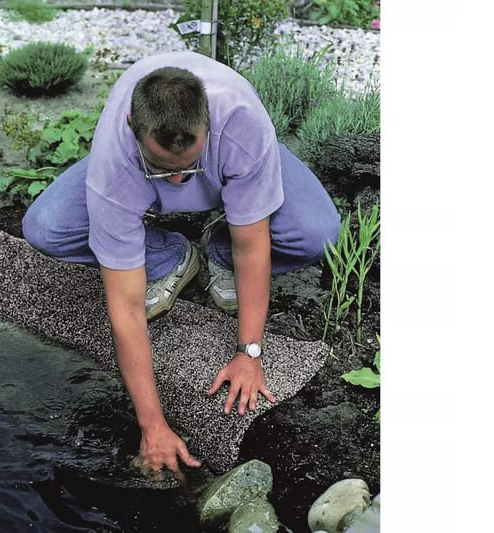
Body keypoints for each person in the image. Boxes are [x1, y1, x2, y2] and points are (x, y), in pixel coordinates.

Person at [22, 51, 341, 478]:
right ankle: (169, 256)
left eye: (187, 167)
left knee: (317, 233)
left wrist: (249, 352)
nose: (177, 182)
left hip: (232, 156)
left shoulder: (242, 124)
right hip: (131, 172)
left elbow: (254, 249)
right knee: (45, 228)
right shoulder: (115, 159)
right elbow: (127, 309)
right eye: (162, 169)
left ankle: (216, 252)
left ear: (208, 124)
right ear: (133, 127)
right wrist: (151, 424)